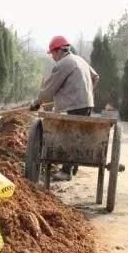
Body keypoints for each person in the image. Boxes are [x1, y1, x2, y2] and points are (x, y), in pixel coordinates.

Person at [31, 35, 100, 181]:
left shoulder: (63, 64)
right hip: (87, 104)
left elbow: (49, 88)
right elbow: (96, 77)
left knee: (69, 135)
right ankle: (72, 164)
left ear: (57, 51)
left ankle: (66, 171)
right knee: (78, 134)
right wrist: (86, 93)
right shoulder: (80, 60)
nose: (53, 58)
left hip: (74, 105)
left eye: (52, 54)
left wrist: (37, 103)